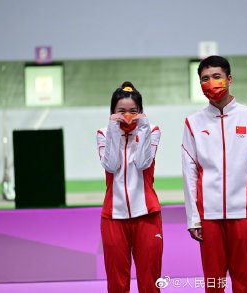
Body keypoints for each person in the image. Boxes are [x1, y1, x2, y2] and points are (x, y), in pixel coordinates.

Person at [181, 56, 247, 292]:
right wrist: (193, 217)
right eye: (205, 79)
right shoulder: (193, 123)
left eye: (217, 77)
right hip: (208, 216)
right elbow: (189, 173)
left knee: (243, 281)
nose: (211, 83)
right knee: (214, 283)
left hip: (243, 213)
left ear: (229, 79)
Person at [97, 81, 163, 293]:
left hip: (147, 214)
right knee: (117, 282)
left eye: (133, 111)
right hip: (113, 217)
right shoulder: (103, 133)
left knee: (149, 280)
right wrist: (113, 130)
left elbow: (144, 163)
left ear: (141, 112)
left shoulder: (152, 130)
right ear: (112, 112)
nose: (127, 115)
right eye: (121, 111)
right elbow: (111, 165)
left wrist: (142, 129)